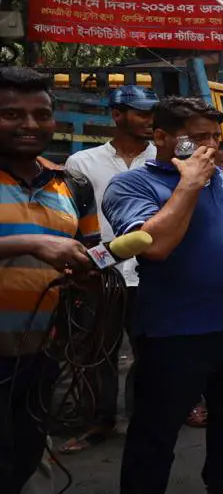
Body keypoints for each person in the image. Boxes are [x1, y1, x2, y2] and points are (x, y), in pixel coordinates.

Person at [103, 97, 223, 494]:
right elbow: (156, 246)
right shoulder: (132, 184)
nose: (210, 147)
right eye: (197, 138)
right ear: (160, 137)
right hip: (177, 334)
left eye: (215, 137)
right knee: (156, 432)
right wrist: (190, 182)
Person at [0, 67, 101, 492]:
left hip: (40, 356)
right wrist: (28, 243)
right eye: (11, 114)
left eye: (40, 114)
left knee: (20, 457)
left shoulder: (71, 184)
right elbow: (41, 248)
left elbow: (91, 252)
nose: (29, 125)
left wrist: (92, 275)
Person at [59, 84, 158, 453]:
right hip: (103, 272)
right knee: (97, 352)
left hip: (151, 271)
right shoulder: (82, 163)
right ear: (117, 115)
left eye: (152, 114)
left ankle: (143, 416)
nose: (149, 120)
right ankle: (98, 420)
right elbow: (74, 218)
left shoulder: (161, 159)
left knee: (150, 349)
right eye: (141, 113)